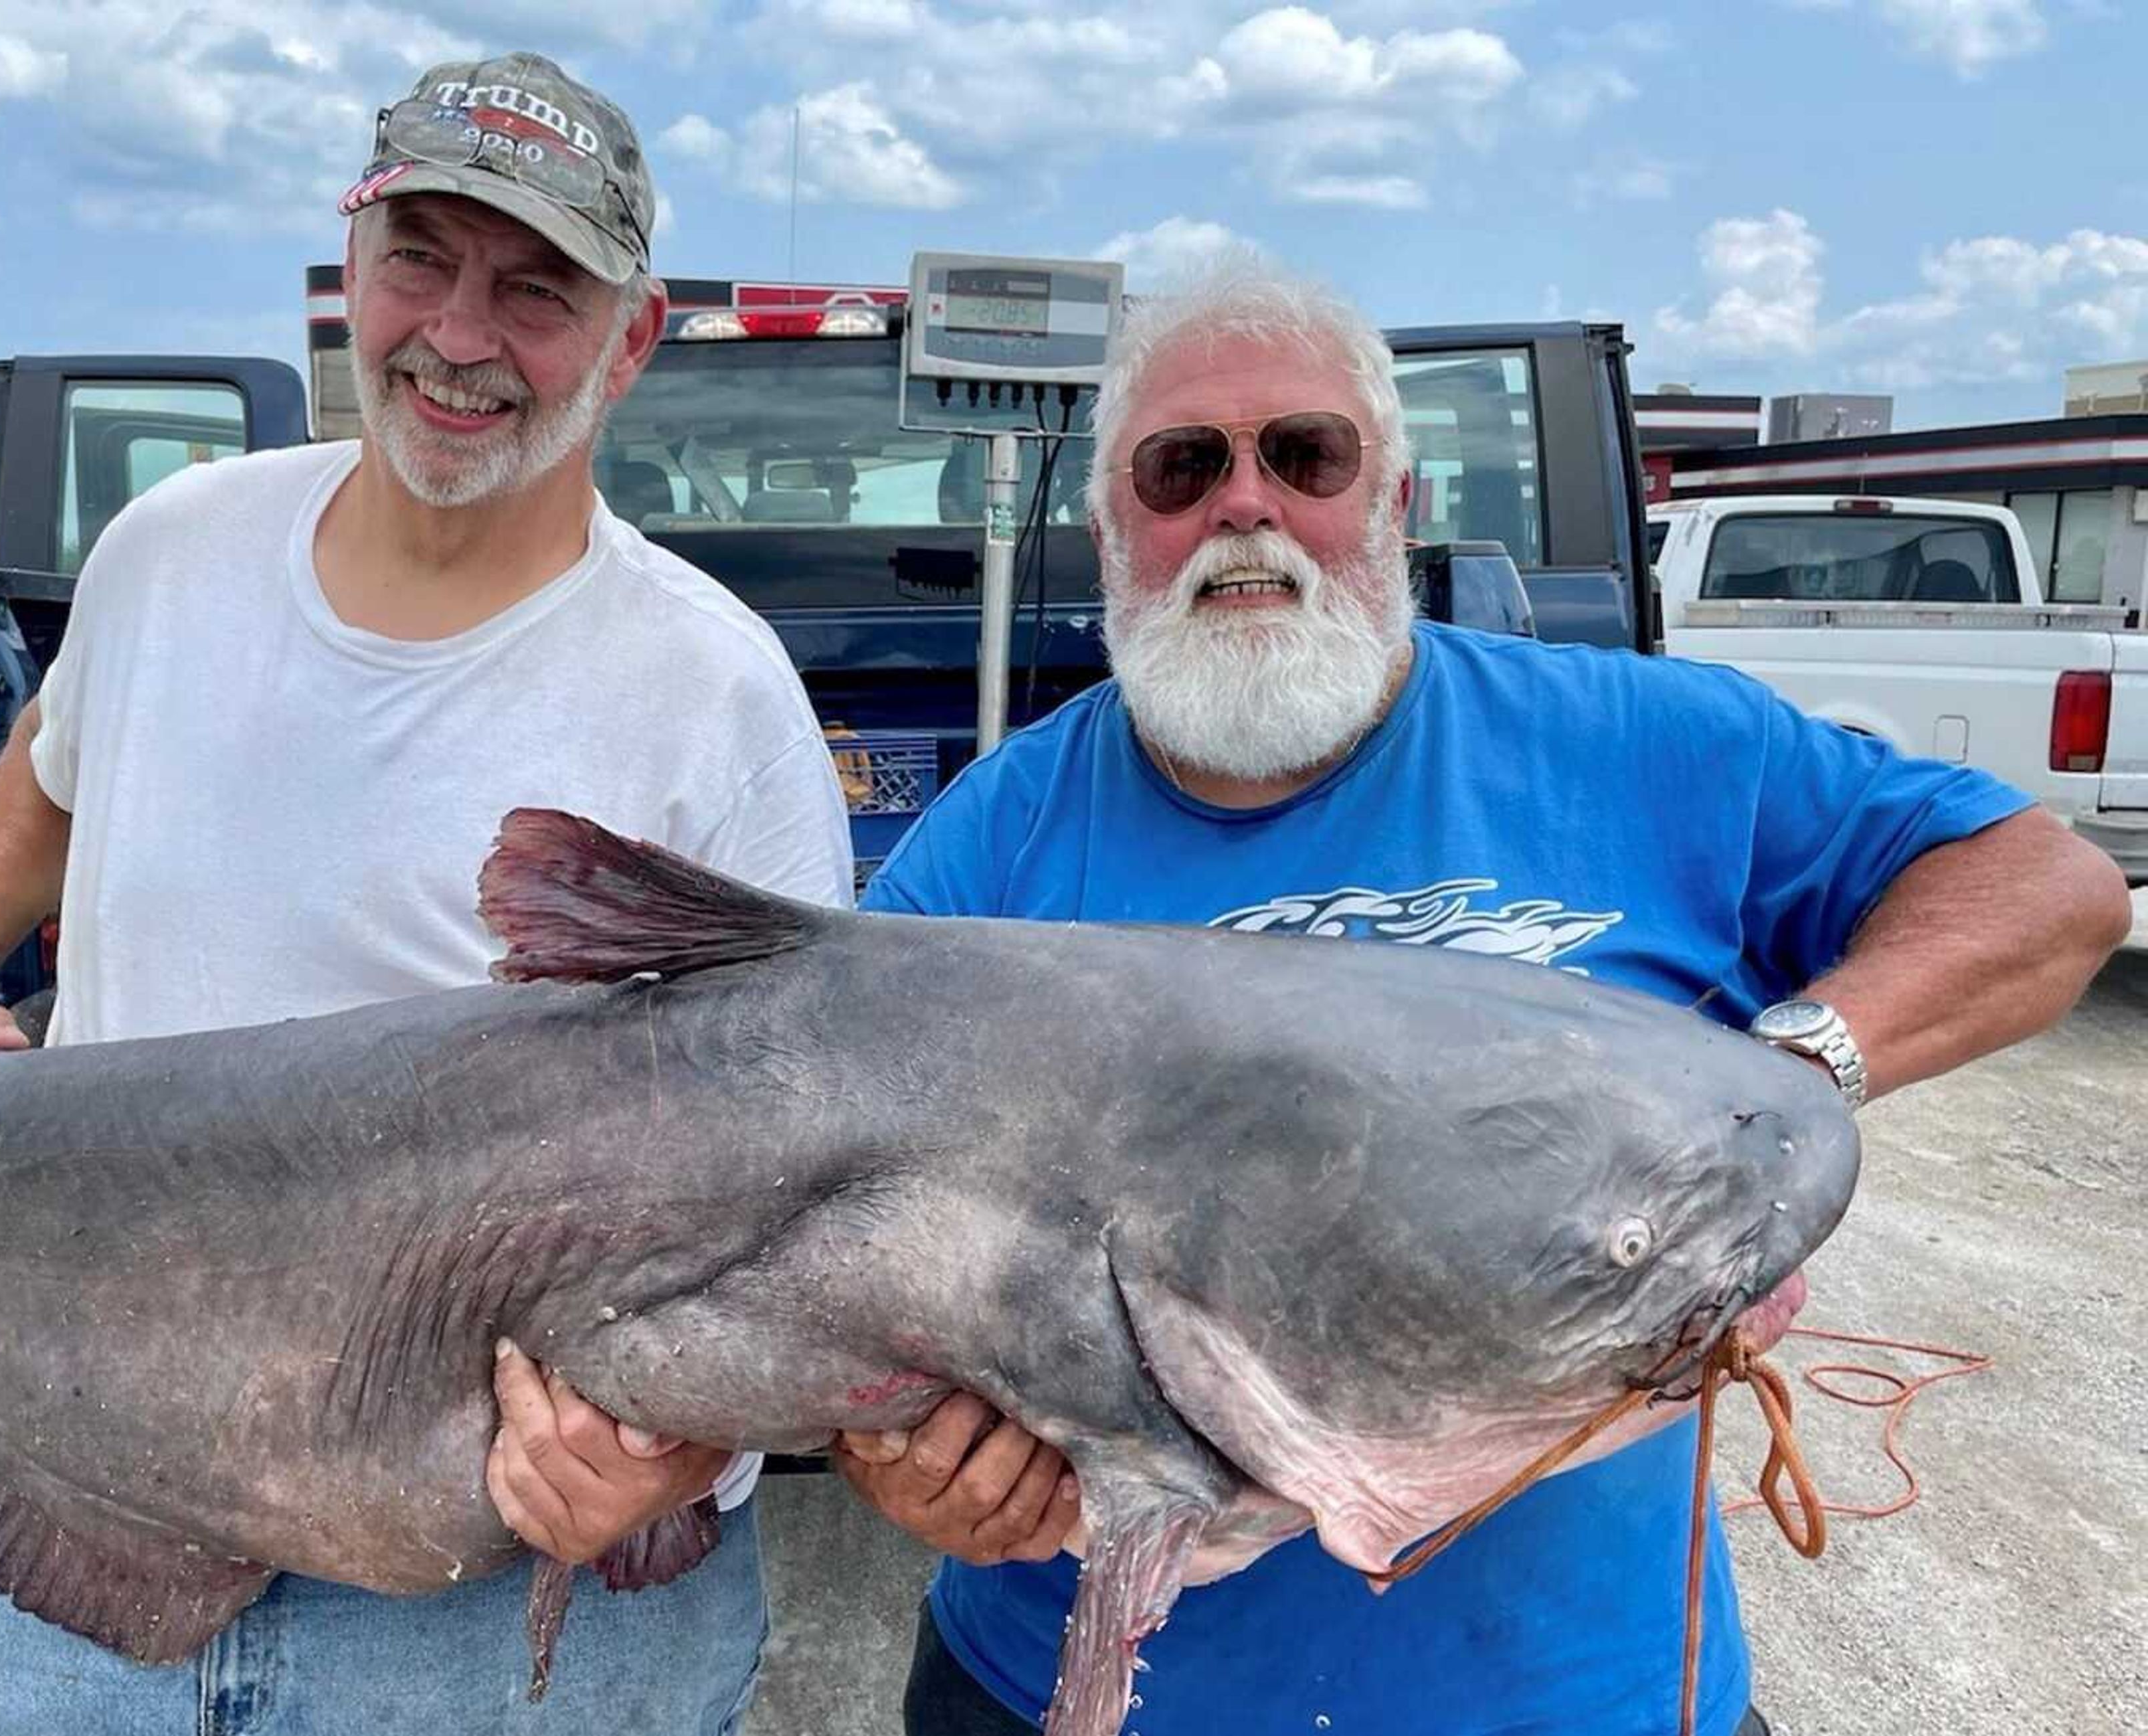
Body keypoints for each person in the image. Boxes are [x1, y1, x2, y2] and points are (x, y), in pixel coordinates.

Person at [832, 248, 2134, 1736]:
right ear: (1114, 526)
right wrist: (900, 1455)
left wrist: (1794, 1068)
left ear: (1395, 503)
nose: (1241, 505)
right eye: (1181, 466)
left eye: (1304, 455)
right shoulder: (989, 844)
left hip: (1586, 1698)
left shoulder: (1650, 745)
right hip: (1070, 1691)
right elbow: (832, 1220)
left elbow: (2050, 889)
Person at [0, 49, 853, 1736]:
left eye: (535, 291)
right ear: (349, 272)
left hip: (484, 1593)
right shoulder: (175, 548)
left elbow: (801, 1170)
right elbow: (51, 764)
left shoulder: (712, 694)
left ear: (631, 340)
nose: (458, 336)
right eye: (421, 264)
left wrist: (669, 1453)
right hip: (63, 1475)